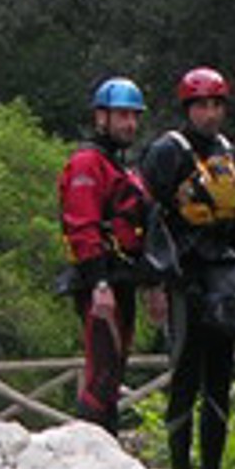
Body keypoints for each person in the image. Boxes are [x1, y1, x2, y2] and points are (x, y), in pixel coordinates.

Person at [140, 65, 235, 469]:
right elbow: (149, 221)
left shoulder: (232, 156)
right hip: (184, 279)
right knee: (184, 378)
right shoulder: (167, 153)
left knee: (219, 379)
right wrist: (154, 284)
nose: (210, 114)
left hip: (224, 281)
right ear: (187, 108)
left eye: (216, 105)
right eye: (201, 106)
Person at [57, 76, 153, 434]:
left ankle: (105, 445)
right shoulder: (88, 163)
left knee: (113, 369)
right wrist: (99, 283)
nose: (130, 124)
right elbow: (82, 225)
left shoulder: (119, 166)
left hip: (122, 277)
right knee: (102, 371)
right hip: (101, 280)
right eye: (122, 116)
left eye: (134, 116)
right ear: (102, 117)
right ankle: (93, 447)